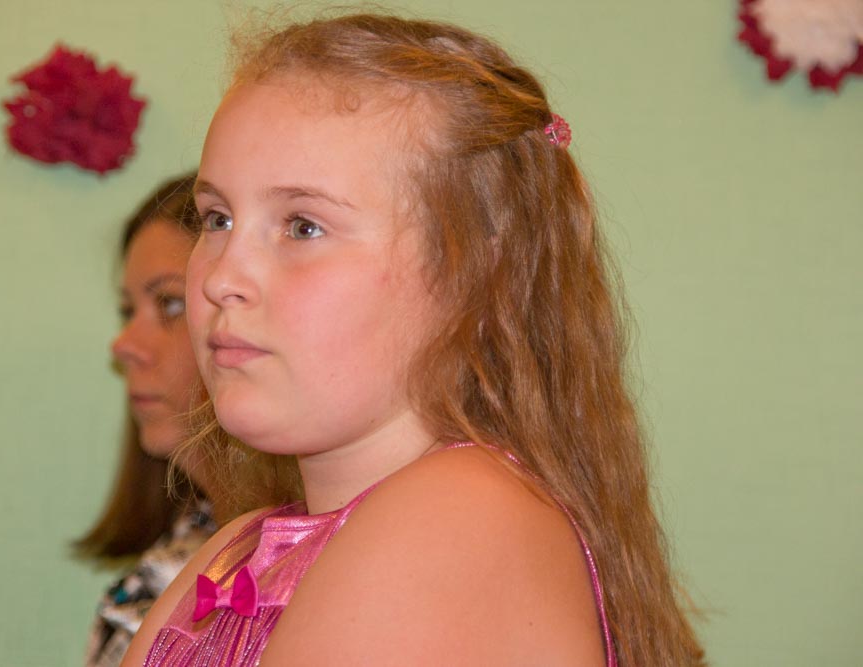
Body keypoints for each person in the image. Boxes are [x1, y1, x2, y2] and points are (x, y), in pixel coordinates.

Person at [125, 12, 705, 666]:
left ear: (475, 272)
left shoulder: (458, 516)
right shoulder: (238, 551)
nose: (221, 277)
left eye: (303, 226)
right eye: (217, 218)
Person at [76, 173, 216, 667]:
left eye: (170, 303)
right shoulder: (182, 544)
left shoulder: (295, 564)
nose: (124, 345)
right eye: (127, 311)